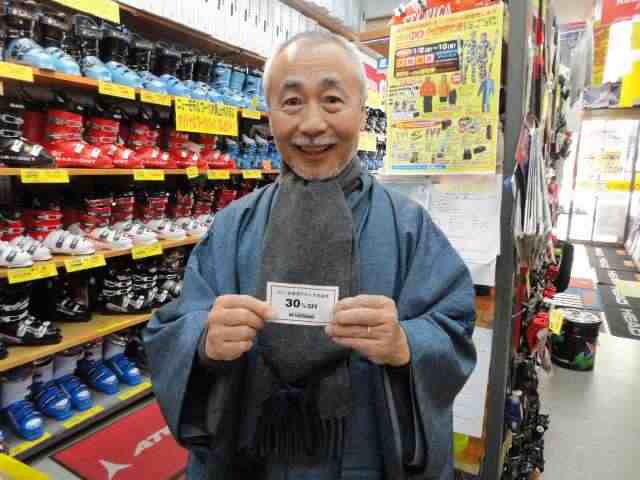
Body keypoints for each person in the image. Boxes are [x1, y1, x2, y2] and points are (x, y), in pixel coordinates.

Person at [144, 31, 477, 480]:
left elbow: (453, 328)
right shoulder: (233, 225)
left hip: (364, 454)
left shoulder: (409, 228)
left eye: (333, 100)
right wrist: (203, 341)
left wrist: (405, 343)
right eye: (292, 102)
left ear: (362, 111)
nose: (313, 124)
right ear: (270, 115)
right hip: (249, 459)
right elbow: (173, 326)